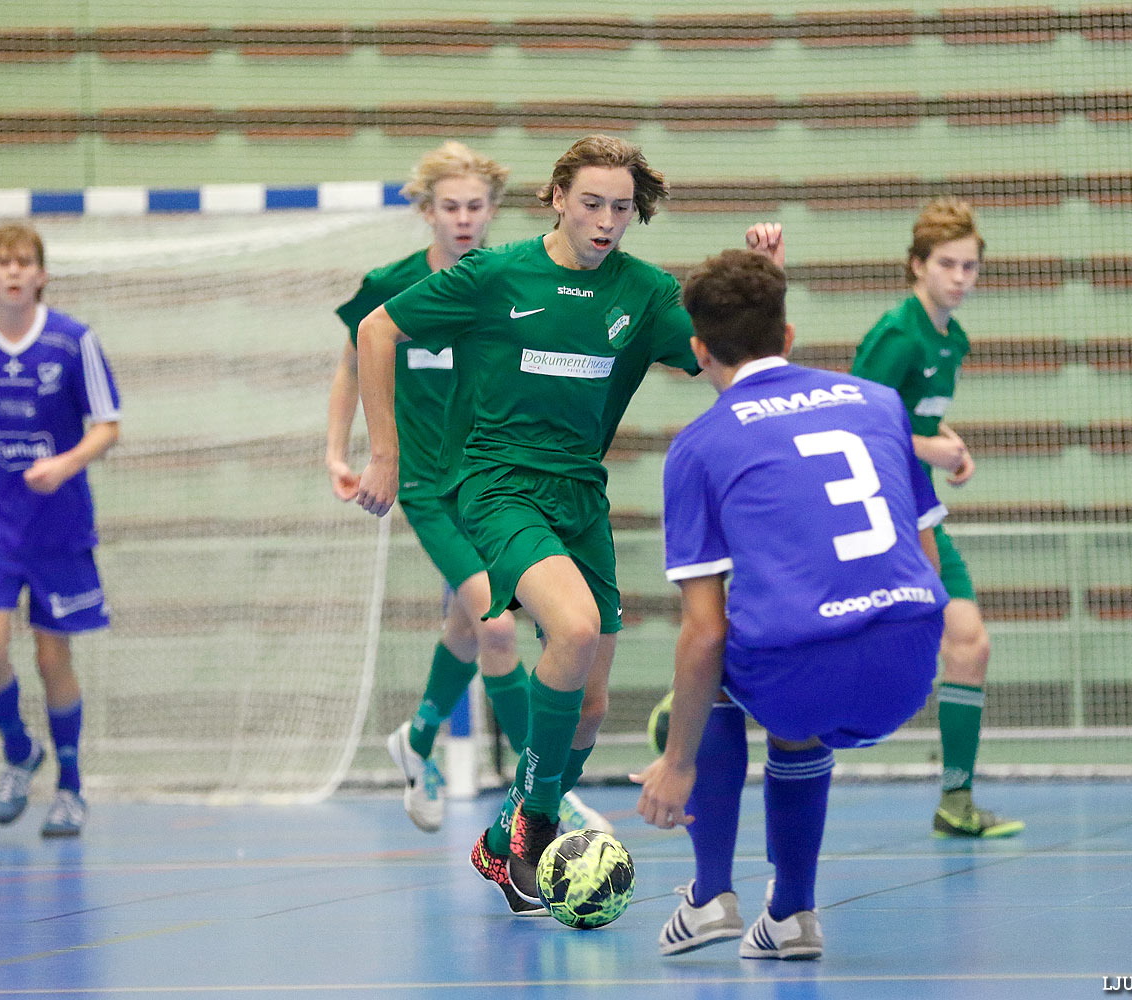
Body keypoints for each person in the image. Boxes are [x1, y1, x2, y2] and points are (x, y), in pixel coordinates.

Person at [353, 133, 783, 916]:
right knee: (572, 632)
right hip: (497, 485)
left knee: (589, 706)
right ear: (558, 198)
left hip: (580, 497)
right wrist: (383, 452)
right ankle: (534, 831)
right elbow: (376, 330)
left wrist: (766, 279)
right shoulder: (496, 274)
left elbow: (725, 355)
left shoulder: (645, 294)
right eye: (592, 203)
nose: (606, 220)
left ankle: (501, 838)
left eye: (621, 207)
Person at [633, 248, 950, 960]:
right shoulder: (879, 402)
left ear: (698, 350)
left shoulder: (700, 446)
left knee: (728, 672)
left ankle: (710, 894)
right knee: (791, 666)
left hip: (802, 670)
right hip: (911, 655)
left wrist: (677, 763)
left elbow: (704, 634)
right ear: (790, 334)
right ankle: (790, 917)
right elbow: (926, 554)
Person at [326, 140, 608, 837]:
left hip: (494, 481)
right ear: (427, 212)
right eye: (449, 206)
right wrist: (342, 450)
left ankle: (417, 737)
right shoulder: (390, 285)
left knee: (469, 616)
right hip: (426, 486)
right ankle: (542, 799)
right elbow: (350, 363)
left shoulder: (506, 281)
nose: (463, 218)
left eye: (475, 206)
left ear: (492, 211)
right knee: (500, 623)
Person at [0, 224, 121, 837]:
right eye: (2, 263)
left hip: (59, 527)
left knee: (50, 656)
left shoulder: (73, 342)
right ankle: (18, 750)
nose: (13, 273)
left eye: (25, 263)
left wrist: (67, 463)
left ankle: (70, 784)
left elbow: (107, 424)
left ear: (41, 274)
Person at [850, 197, 1022, 838]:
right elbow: (857, 427)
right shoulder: (899, 333)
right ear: (916, 267)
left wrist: (947, 442)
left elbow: (912, 415)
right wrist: (930, 448)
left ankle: (956, 800)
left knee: (969, 643)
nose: (960, 277)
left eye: (970, 267)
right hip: (879, 515)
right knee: (844, 647)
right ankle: (707, 700)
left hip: (921, 510)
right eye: (947, 264)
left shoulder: (954, 339)